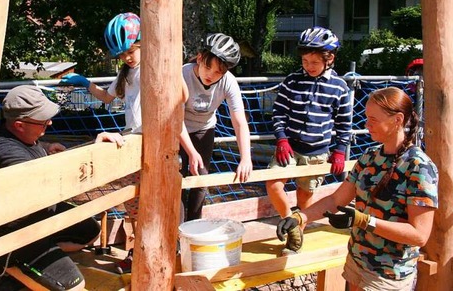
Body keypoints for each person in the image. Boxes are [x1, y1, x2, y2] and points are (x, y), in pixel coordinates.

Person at [276, 87, 438, 290]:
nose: (366, 124)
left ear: (397, 120)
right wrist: (299, 218)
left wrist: (363, 220)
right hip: (357, 263)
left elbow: (419, 234)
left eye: (374, 119)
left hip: (388, 275)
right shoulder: (369, 157)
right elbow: (336, 200)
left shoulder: (419, 167)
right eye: (366, 117)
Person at [0, 85, 100, 291]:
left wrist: (46, 147)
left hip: (38, 216)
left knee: (90, 230)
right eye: (43, 120)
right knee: (74, 286)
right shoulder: (6, 152)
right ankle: (3, 261)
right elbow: (40, 180)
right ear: (20, 125)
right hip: (13, 233)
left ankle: (40, 263)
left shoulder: (15, 132)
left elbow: (28, 146)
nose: (50, 122)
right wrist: (94, 151)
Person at [60, 12, 142, 274]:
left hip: (151, 138)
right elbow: (107, 98)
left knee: (150, 201)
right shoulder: (126, 74)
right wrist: (85, 83)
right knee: (133, 202)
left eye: (130, 51)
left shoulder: (154, 68)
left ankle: (153, 248)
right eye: (121, 55)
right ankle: (137, 249)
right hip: (132, 138)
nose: (127, 57)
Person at [266, 26, 352, 255]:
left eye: (314, 62)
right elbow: (278, 113)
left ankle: (294, 242)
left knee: (305, 198)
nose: (308, 67)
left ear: (329, 58)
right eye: (305, 61)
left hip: (317, 152)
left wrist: (340, 151)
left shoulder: (340, 88)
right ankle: (289, 222)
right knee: (273, 184)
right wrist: (282, 139)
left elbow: (344, 124)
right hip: (290, 148)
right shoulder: (292, 81)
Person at [179, 33, 253, 221]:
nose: (211, 75)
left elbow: (239, 122)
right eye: (207, 67)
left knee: (201, 180)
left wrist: (246, 158)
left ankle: (193, 227)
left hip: (204, 129)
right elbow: (175, 120)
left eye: (219, 72)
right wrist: (191, 152)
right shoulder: (183, 74)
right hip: (177, 130)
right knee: (176, 180)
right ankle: (174, 229)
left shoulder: (229, 82)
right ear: (200, 58)